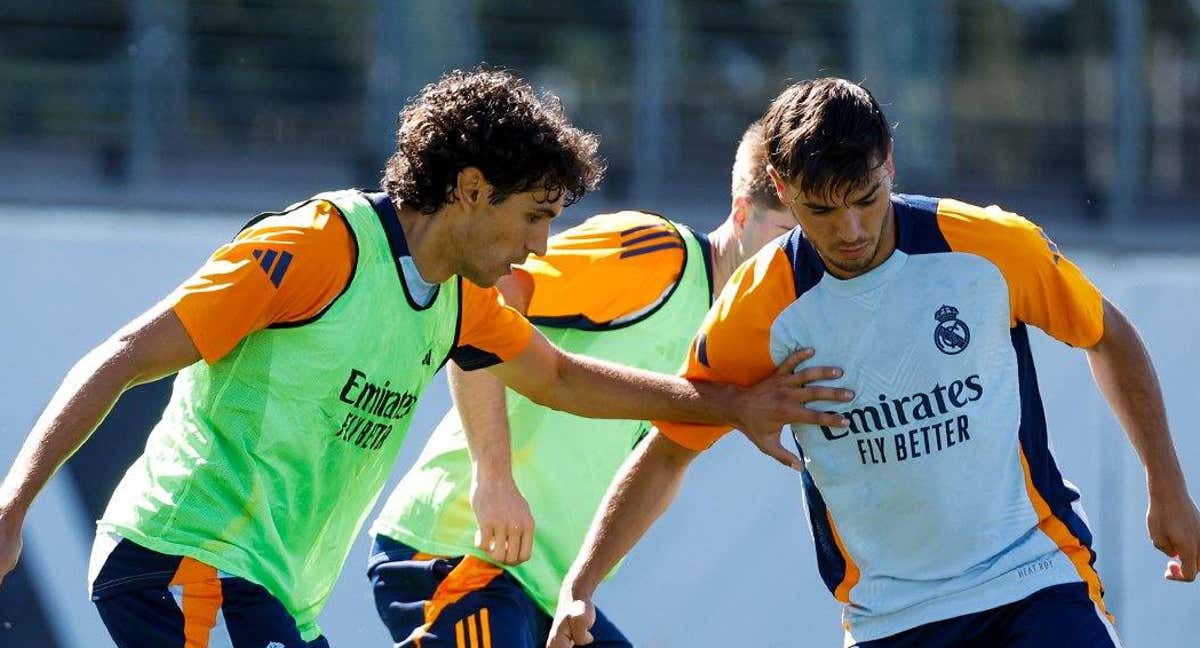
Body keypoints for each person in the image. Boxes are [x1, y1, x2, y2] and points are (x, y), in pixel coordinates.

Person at [0, 69, 843, 648]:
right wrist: (12, 508)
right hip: (184, 560)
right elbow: (120, 355)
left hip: (276, 593)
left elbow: (558, 377)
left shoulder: (459, 297)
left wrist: (730, 405)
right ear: (472, 189)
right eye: (533, 216)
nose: (541, 245)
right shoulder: (319, 247)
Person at [548, 77, 1200, 648]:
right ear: (780, 188)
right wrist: (581, 584)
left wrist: (1166, 481)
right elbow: (668, 450)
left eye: (864, 197)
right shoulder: (758, 309)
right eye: (822, 210)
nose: (851, 230)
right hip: (891, 618)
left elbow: (1106, 332)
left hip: (1032, 580)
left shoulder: (987, 248)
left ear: (888, 164)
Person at [364, 121, 802, 648]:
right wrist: (494, 477)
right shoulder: (658, 253)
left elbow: (665, 464)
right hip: (460, 548)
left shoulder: (732, 341)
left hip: (550, 594)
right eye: (785, 237)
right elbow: (487, 300)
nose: (793, 260)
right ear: (741, 213)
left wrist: (585, 581)